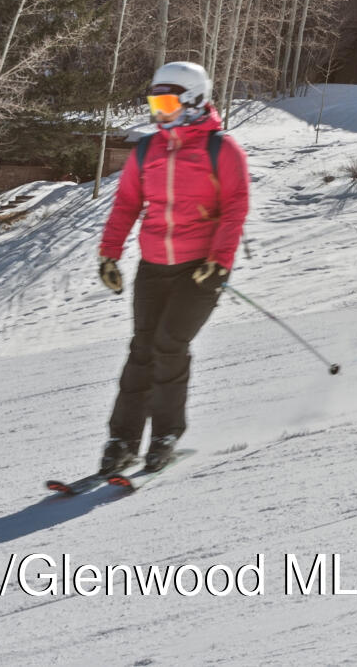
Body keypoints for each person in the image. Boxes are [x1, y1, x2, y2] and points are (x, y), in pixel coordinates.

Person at [95, 60, 249, 479]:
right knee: (141, 349)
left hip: (200, 270)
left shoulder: (222, 149)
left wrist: (219, 262)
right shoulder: (148, 150)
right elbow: (127, 203)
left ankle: (165, 435)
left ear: (195, 101)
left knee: (168, 345)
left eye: (167, 102)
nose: (159, 112)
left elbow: (235, 209)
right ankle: (122, 441)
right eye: (154, 103)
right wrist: (109, 253)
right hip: (153, 265)